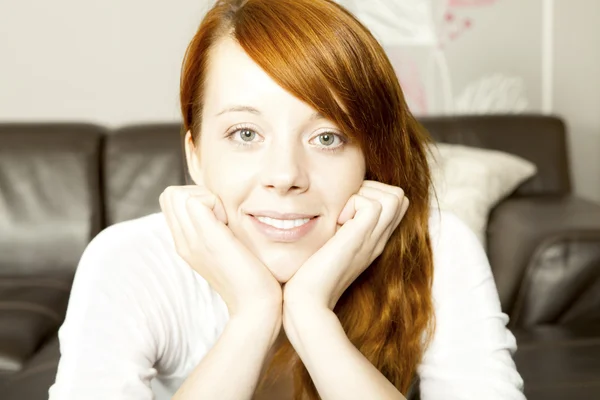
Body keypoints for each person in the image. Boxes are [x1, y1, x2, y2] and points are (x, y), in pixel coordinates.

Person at [49, 0, 526, 399]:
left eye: (327, 137)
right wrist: (254, 313)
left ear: (369, 156)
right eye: (245, 132)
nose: (284, 176)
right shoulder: (130, 260)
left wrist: (311, 316)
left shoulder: (437, 247)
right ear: (195, 155)